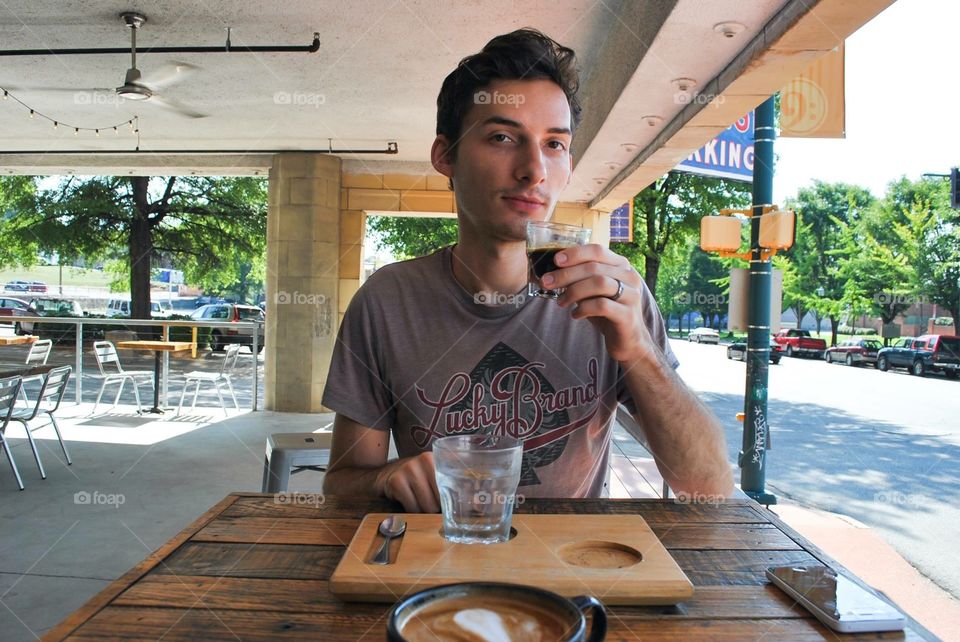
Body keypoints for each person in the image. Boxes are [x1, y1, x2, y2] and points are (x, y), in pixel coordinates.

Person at [321, 28, 734, 512]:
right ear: (445, 155)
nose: (534, 169)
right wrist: (388, 477)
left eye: (554, 144)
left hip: (574, 572)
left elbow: (707, 486)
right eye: (502, 137)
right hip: (440, 565)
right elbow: (341, 484)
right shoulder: (387, 300)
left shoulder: (615, 293)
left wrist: (638, 350)